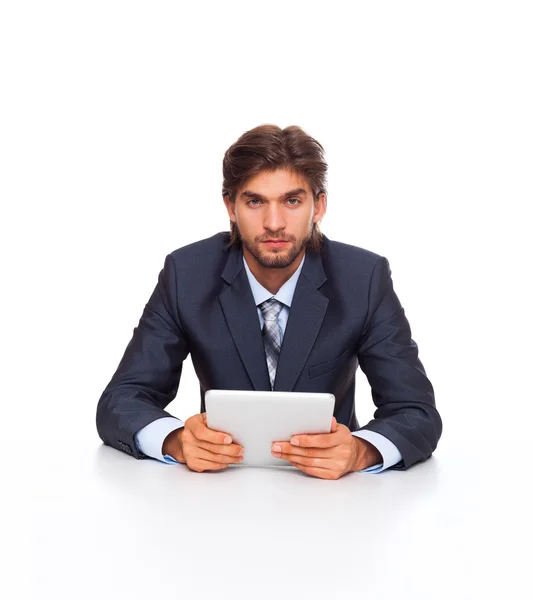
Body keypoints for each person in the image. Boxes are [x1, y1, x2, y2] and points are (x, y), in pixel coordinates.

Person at [96, 124, 442, 480]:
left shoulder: (363, 278)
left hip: (332, 498)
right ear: (230, 206)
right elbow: (121, 400)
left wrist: (360, 451)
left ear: (318, 205)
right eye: (255, 201)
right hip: (214, 494)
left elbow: (416, 412)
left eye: (292, 201)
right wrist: (176, 441)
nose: (274, 223)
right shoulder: (187, 274)